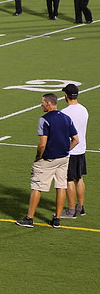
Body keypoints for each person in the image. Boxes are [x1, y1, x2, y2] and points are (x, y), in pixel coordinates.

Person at [16, 93, 79, 228]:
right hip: (63, 158)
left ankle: (29, 218)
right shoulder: (67, 118)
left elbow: (42, 144)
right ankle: (57, 219)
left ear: (49, 104)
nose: (41, 105)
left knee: (36, 187)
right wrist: (66, 149)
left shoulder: (44, 119)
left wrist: (38, 157)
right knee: (61, 186)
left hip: (48, 159)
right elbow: (76, 139)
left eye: (43, 102)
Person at [60, 84, 89, 218]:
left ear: (66, 95)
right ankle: (80, 207)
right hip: (81, 148)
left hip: (70, 149)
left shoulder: (65, 112)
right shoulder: (84, 110)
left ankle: (71, 210)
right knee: (79, 178)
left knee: (69, 180)